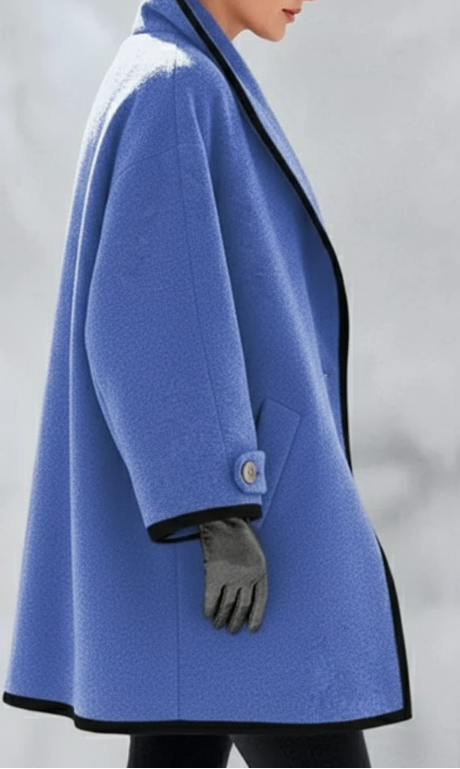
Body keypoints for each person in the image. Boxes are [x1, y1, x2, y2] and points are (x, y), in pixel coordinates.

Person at [2, 0, 412, 766]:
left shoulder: (176, 73)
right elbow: (150, 318)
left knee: (178, 744)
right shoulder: (174, 84)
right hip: (238, 533)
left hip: (219, 523)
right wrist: (217, 512)